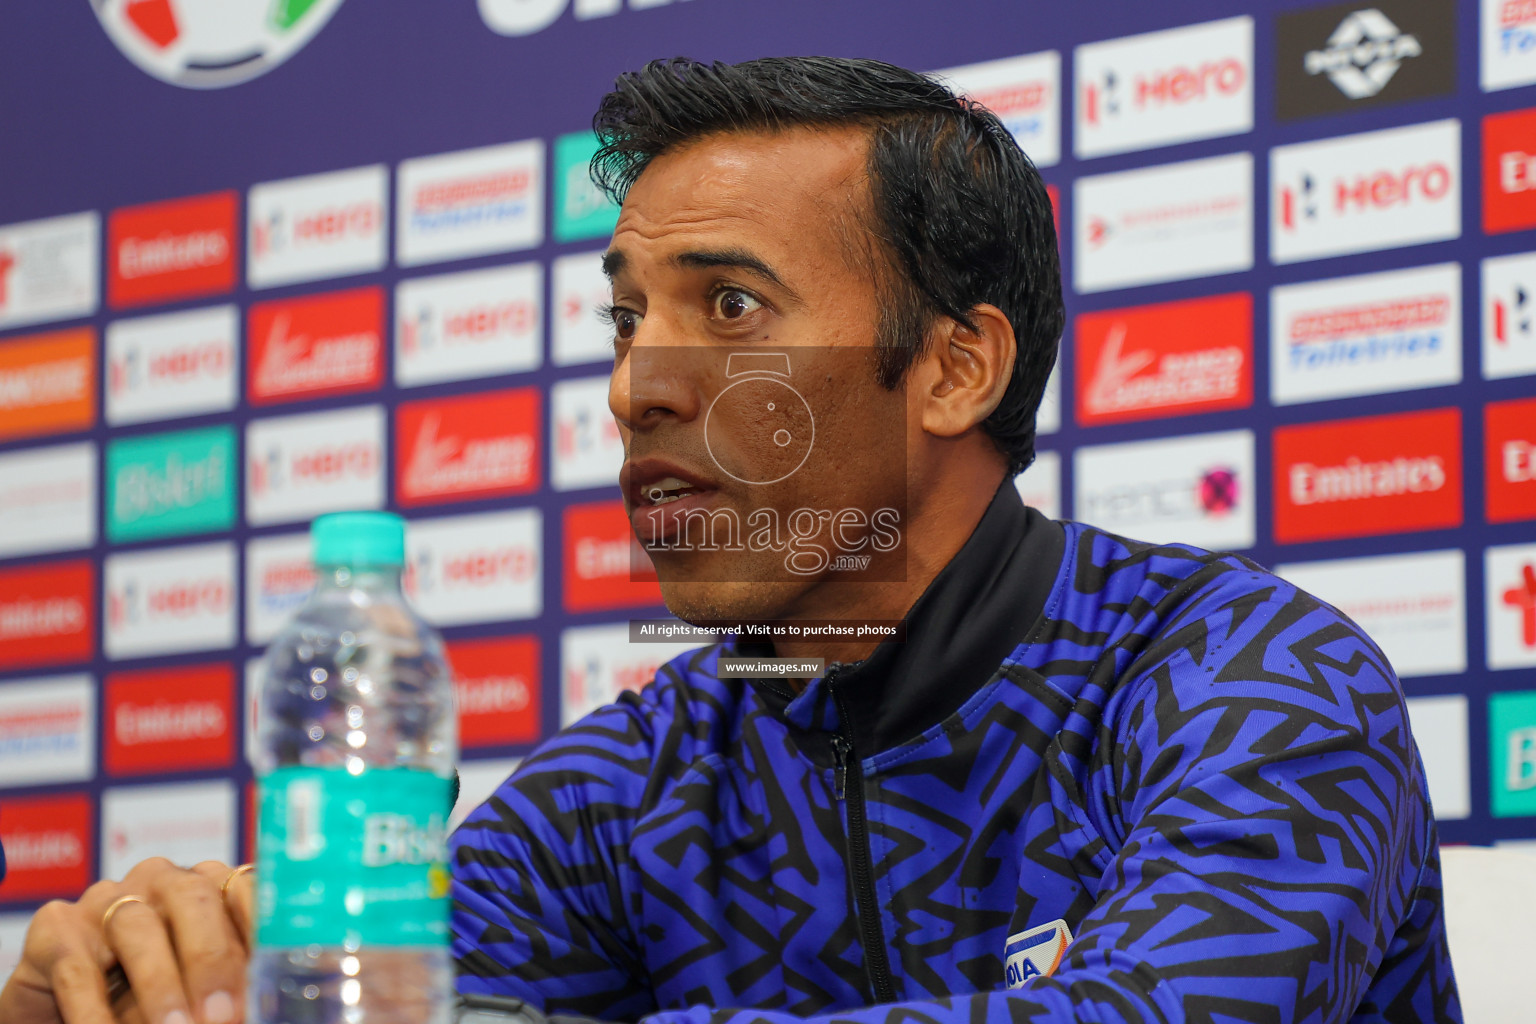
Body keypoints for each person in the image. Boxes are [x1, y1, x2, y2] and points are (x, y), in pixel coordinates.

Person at [0, 56, 1461, 1024]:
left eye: (734, 309)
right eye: (629, 317)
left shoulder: (1250, 679)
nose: (641, 382)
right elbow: (396, 997)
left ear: (955, 368)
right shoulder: (635, 778)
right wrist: (168, 978)